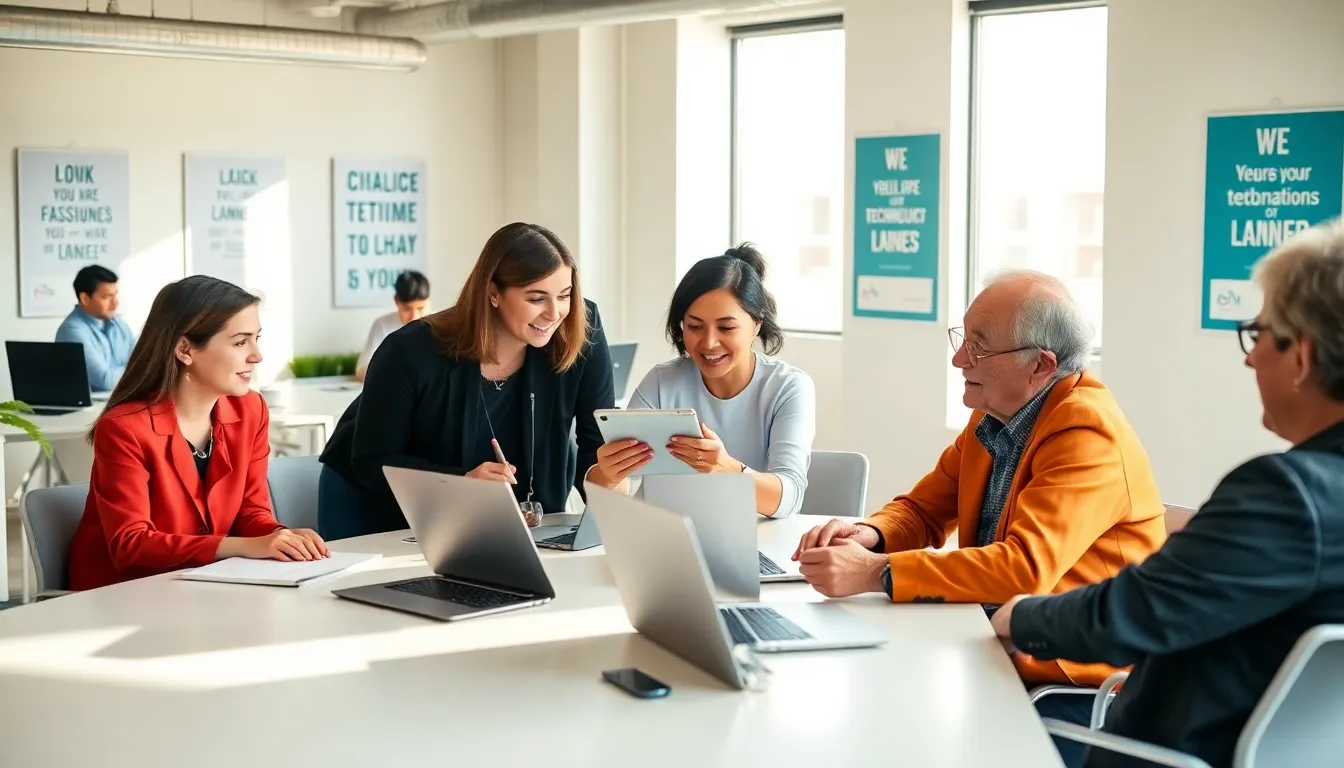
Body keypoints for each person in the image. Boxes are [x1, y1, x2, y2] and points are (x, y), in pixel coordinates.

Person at [992, 220, 1344, 768]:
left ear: (1300, 356)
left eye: (1257, 333)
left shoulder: (1286, 494)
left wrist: (1019, 618)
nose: (1250, 359)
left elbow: (1127, 616)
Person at [792, 269, 1167, 688]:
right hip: (994, 645)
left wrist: (875, 571)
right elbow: (922, 510)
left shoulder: (1087, 435)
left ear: (1040, 366)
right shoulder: (994, 415)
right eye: (963, 339)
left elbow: (1023, 570)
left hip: (1071, 678)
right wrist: (868, 534)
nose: (958, 359)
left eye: (979, 348)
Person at [317, 222, 615, 540]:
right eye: (536, 298)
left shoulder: (580, 326)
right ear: (493, 293)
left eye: (565, 295)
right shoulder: (410, 349)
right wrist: (460, 483)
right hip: (381, 507)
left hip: (492, 524)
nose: (554, 313)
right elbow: (371, 460)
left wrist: (611, 476)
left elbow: (596, 449)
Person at [68, 275, 329, 591]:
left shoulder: (251, 410)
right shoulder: (125, 428)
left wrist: (278, 537)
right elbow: (131, 545)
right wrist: (245, 546)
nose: (256, 355)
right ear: (184, 349)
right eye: (240, 342)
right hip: (125, 593)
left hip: (207, 584)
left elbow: (251, 512)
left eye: (256, 338)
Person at [591, 244, 815, 517]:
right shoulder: (661, 383)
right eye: (695, 326)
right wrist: (608, 474)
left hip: (757, 546)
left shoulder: (787, 387)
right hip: (671, 544)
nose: (709, 343)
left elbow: (789, 497)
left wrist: (727, 468)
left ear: (757, 322)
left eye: (726, 328)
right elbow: (619, 493)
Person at [55, 264, 136, 392]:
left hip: (122, 402)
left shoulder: (119, 324)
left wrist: (140, 370)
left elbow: (145, 362)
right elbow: (106, 381)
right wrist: (137, 371)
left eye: (115, 295)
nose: (115, 303)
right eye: (106, 297)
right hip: (90, 410)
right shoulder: (72, 331)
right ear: (85, 298)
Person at [355, 270, 431, 382]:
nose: (414, 316)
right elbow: (361, 370)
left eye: (420, 308)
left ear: (429, 302)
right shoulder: (383, 326)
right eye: (407, 309)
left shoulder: (441, 324)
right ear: (396, 301)